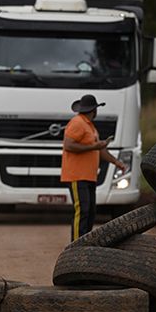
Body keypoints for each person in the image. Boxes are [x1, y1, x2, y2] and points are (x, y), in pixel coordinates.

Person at [60, 94, 126, 241]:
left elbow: (99, 150)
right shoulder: (77, 123)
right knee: (82, 210)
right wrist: (94, 146)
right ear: (94, 110)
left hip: (89, 176)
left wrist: (117, 162)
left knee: (89, 212)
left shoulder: (89, 126)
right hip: (77, 175)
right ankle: (76, 244)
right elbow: (68, 145)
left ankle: (85, 242)